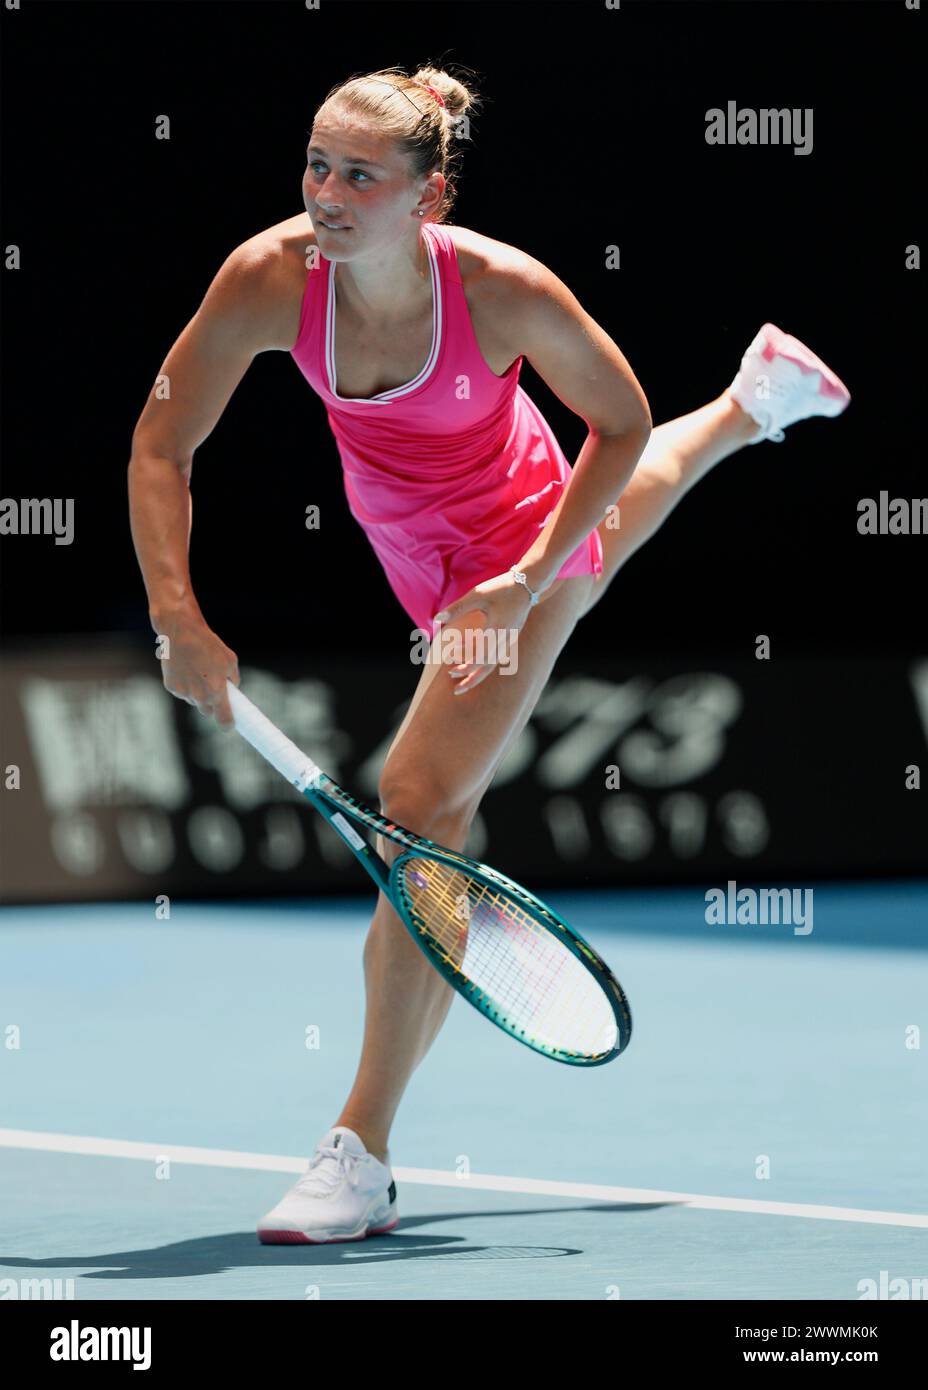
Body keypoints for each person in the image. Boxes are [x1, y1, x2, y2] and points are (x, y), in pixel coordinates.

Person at [127, 64, 850, 1245]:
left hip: (516, 537)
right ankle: (746, 407)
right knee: (465, 786)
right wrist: (179, 617)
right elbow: (161, 443)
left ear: (431, 197)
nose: (328, 194)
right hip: (401, 537)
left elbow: (615, 423)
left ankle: (358, 1152)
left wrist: (518, 583)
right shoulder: (270, 278)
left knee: (418, 805)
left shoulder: (503, 289)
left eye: (362, 174)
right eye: (317, 163)